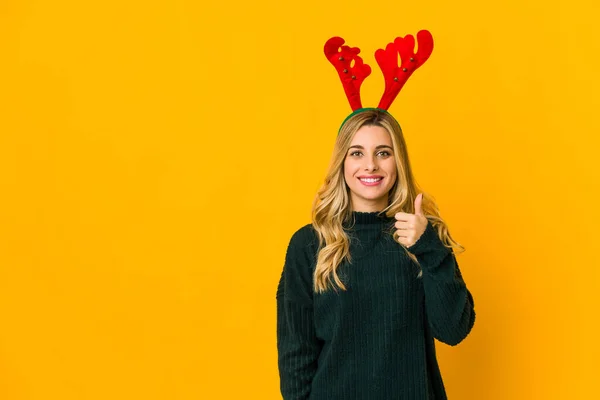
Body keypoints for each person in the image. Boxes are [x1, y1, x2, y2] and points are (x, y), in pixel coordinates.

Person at [276, 32, 476, 400]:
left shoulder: (421, 235)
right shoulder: (309, 245)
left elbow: (454, 329)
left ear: (398, 161)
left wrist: (428, 247)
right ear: (342, 163)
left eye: (383, 152)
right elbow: (295, 355)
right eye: (357, 153)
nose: (370, 164)